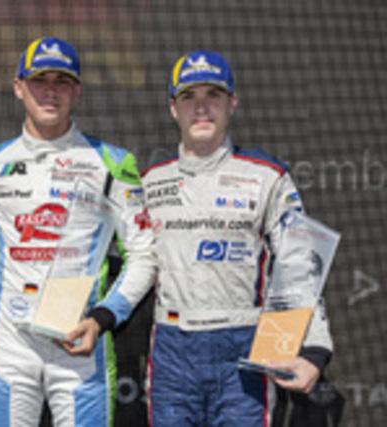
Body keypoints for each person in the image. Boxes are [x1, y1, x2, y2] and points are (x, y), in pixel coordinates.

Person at [0, 36, 156, 426]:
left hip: (80, 344)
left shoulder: (113, 162)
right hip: (10, 348)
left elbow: (144, 256)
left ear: (78, 90)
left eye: (62, 81)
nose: (51, 91)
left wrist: (103, 317)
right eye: (40, 80)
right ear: (18, 87)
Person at [140, 50, 334, 426]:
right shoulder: (149, 182)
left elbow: (298, 266)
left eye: (212, 95)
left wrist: (314, 348)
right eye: (189, 97)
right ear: (173, 109)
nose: (201, 108)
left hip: (243, 348)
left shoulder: (267, 176)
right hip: (172, 349)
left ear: (232, 103)